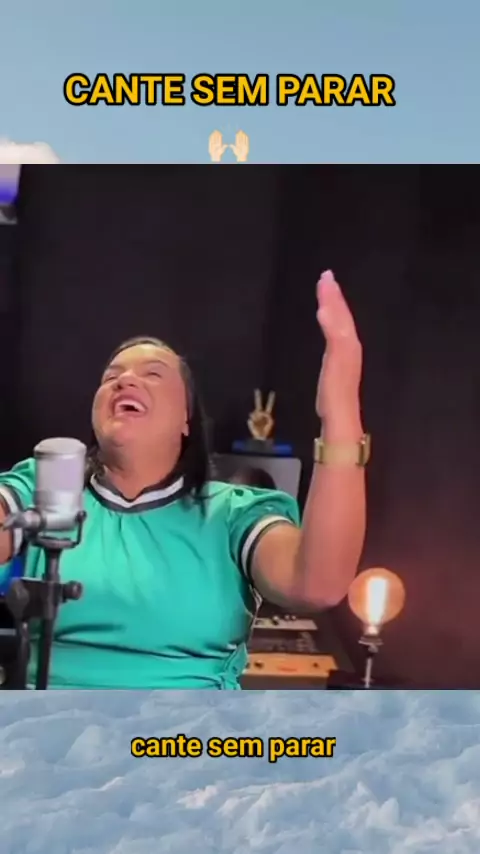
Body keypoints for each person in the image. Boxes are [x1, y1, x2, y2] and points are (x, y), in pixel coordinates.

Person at [0, 270, 367, 689]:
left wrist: (339, 408)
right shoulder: (48, 485)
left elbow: (317, 584)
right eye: (111, 377)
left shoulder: (233, 514)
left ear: (186, 419)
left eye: (153, 374)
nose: (125, 380)